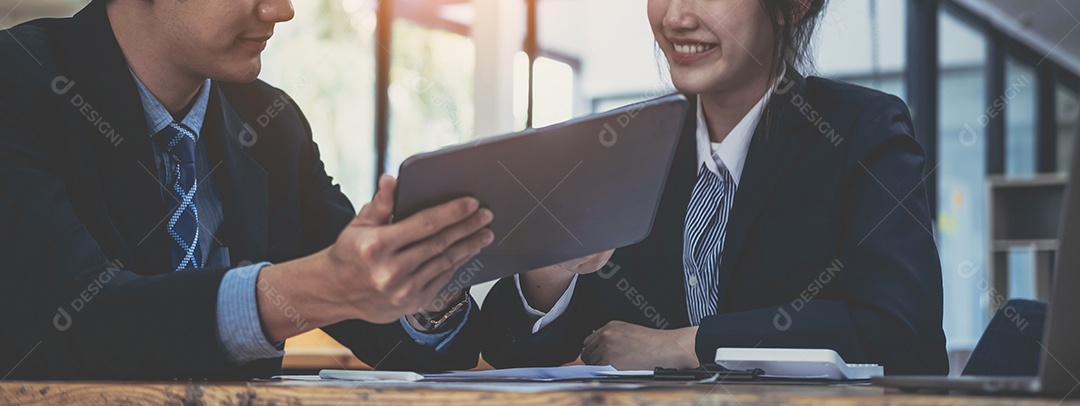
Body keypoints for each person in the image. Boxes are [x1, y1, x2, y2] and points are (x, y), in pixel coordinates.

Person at [0, 0, 492, 379]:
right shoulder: (18, 80)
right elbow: (73, 322)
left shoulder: (271, 123)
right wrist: (318, 286)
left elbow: (382, 326)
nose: (282, 10)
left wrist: (425, 284)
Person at [480, 0, 949, 375]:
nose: (676, 17)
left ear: (793, 6)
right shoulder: (627, 146)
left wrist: (687, 343)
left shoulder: (860, 131)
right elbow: (507, 352)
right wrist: (554, 271)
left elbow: (903, 338)